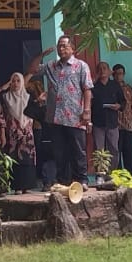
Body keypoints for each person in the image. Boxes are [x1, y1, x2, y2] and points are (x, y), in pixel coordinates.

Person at [30, 36, 93, 185]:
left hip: (75, 116)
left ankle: (82, 180)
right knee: (59, 151)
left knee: (78, 150)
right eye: (59, 46)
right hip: (55, 117)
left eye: (64, 46)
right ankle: (63, 181)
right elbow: (32, 70)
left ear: (72, 48)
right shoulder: (51, 66)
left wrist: (87, 110)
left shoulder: (81, 66)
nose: (61, 48)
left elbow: (87, 89)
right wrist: (41, 55)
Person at [0, 73, 38, 191]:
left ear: (22, 82)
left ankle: (27, 186)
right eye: (13, 81)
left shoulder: (28, 97)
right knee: (15, 158)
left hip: (27, 131)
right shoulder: (5, 97)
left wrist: (26, 125)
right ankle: (17, 186)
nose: (16, 83)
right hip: (12, 132)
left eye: (18, 81)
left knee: (27, 158)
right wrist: (4, 87)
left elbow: (33, 112)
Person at [90, 61, 122, 173]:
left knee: (114, 149)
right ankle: (100, 174)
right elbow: (88, 102)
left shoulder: (115, 85)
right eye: (100, 69)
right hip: (98, 122)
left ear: (109, 71)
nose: (102, 71)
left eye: (104, 68)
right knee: (99, 150)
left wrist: (119, 106)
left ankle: (112, 173)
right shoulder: (93, 86)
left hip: (112, 121)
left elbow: (123, 101)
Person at [113, 64, 132, 176]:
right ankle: (120, 175)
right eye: (116, 74)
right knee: (117, 151)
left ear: (124, 74)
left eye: (121, 73)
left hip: (129, 124)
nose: (118, 76)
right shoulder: (111, 88)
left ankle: (130, 174)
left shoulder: (129, 88)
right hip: (116, 124)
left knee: (128, 150)